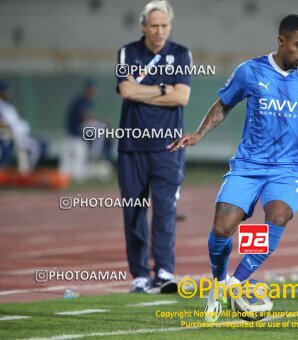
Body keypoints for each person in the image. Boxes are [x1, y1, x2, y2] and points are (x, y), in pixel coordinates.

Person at [169, 14, 298, 322]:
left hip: (287, 169)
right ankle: (218, 283)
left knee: (277, 215)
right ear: (281, 41)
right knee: (222, 228)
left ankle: (236, 283)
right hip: (248, 165)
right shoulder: (250, 71)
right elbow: (223, 104)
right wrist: (198, 134)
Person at [116, 0, 191, 293]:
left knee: (164, 211)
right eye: (154, 25)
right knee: (134, 211)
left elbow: (182, 97)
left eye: (164, 26)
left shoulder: (181, 54)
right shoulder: (128, 52)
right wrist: (163, 89)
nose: (160, 31)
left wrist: (142, 92)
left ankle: (164, 271)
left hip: (168, 148)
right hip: (132, 147)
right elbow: (126, 90)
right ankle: (139, 274)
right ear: (144, 26)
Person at [0, 81, 46, 173]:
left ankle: (27, 172)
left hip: (18, 135)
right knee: (33, 148)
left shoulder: (9, 107)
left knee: (43, 145)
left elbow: (16, 121)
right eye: (6, 92)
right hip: (7, 136)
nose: (9, 94)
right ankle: (25, 172)